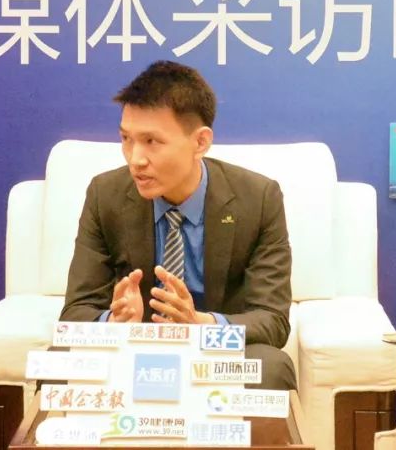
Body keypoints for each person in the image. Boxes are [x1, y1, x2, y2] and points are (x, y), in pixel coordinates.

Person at [60, 60, 296, 390]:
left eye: (152, 141)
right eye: (126, 139)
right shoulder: (105, 195)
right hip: (133, 349)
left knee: (271, 367)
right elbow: (75, 312)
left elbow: (272, 321)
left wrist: (199, 324)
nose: (135, 159)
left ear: (200, 142)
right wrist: (115, 321)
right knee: (59, 362)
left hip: (213, 353)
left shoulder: (258, 198)